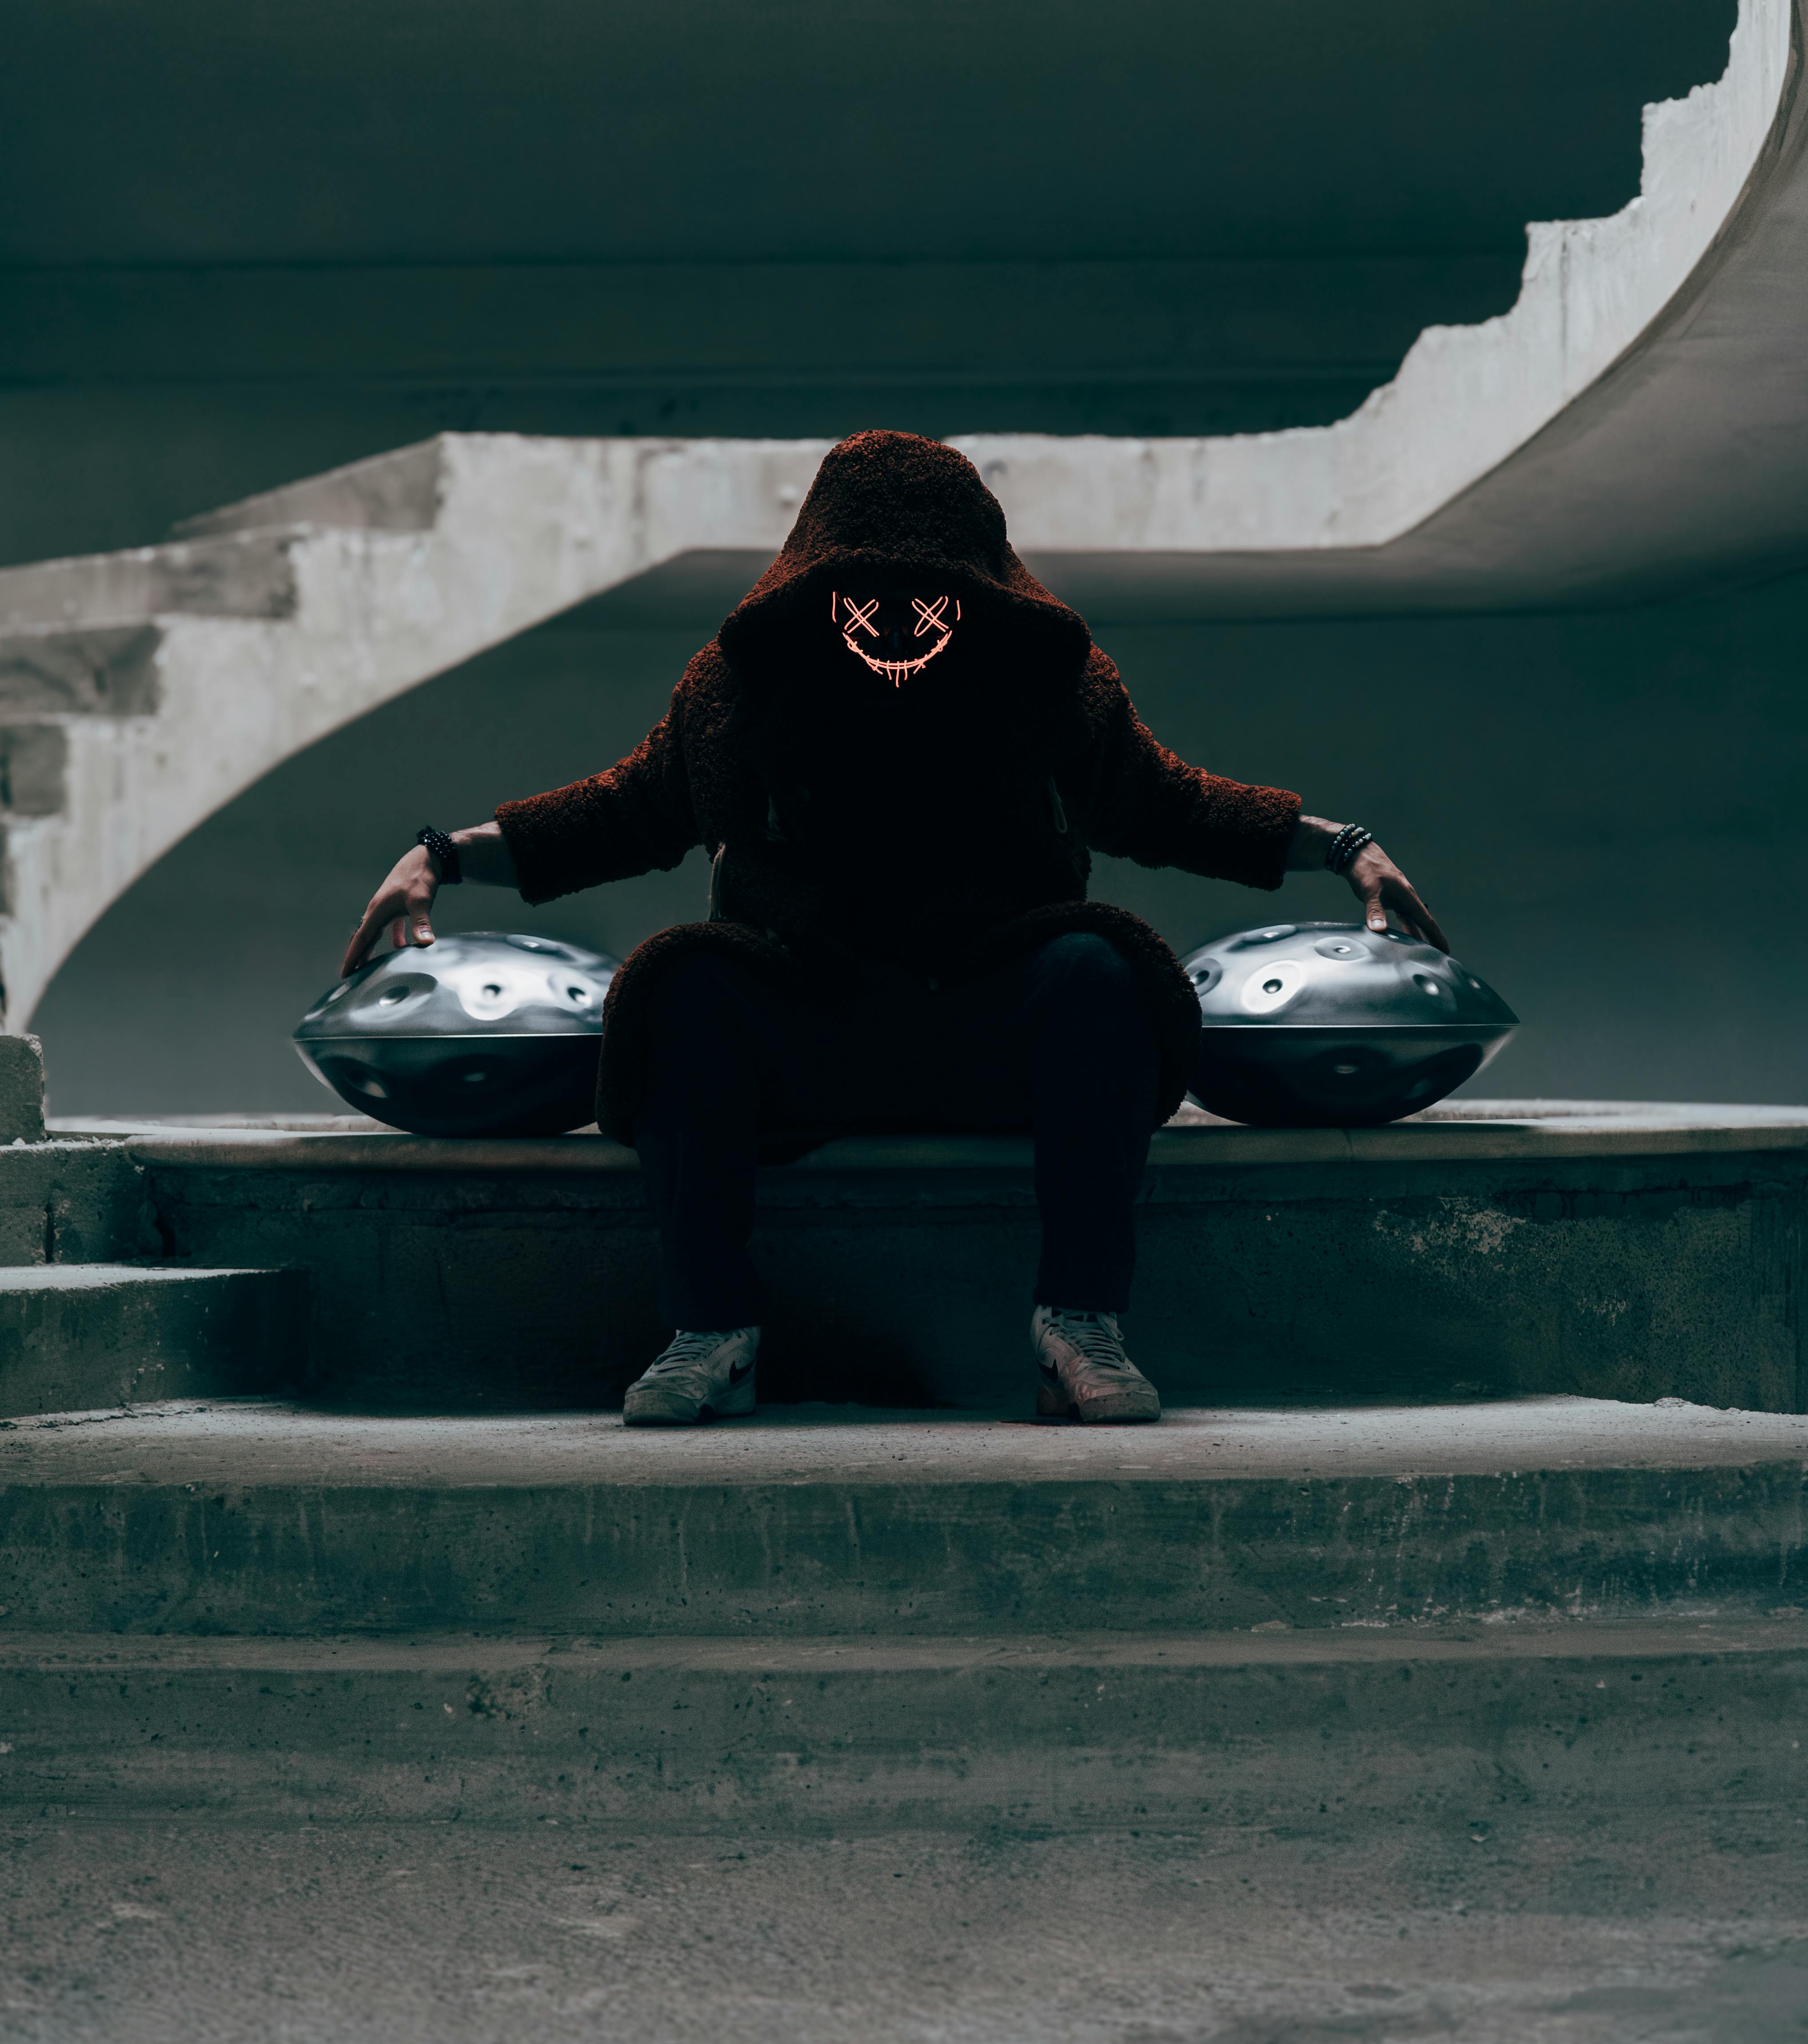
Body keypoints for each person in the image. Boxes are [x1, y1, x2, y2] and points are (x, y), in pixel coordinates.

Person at [342, 431, 1445, 1426]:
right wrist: (442, 855)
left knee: (1100, 966)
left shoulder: (1050, 686)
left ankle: (1079, 1328)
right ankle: (712, 1332)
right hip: (806, 1026)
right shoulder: (738, 691)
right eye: (866, 594)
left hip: (986, 1022)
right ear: (820, 585)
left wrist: (1342, 846)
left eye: (927, 594)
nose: (897, 621)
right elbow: (623, 810)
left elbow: (1167, 802)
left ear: (974, 589)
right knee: (681, 982)